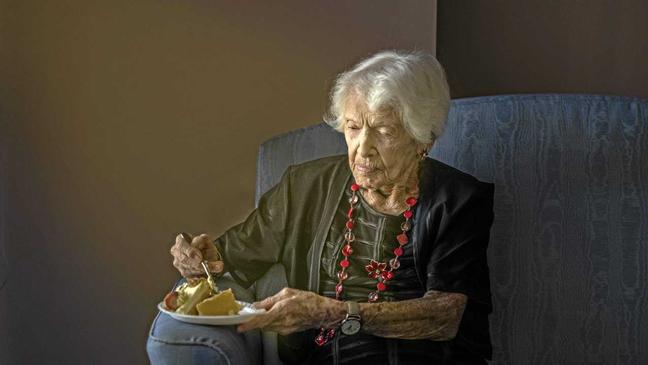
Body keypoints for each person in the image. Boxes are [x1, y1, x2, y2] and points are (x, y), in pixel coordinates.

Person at [158, 50, 495, 364]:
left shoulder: (458, 200)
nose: (363, 149)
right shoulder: (304, 188)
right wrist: (197, 257)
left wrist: (334, 312)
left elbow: (444, 316)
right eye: (353, 127)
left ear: (423, 139)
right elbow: (228, 257)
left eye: (384, 131)